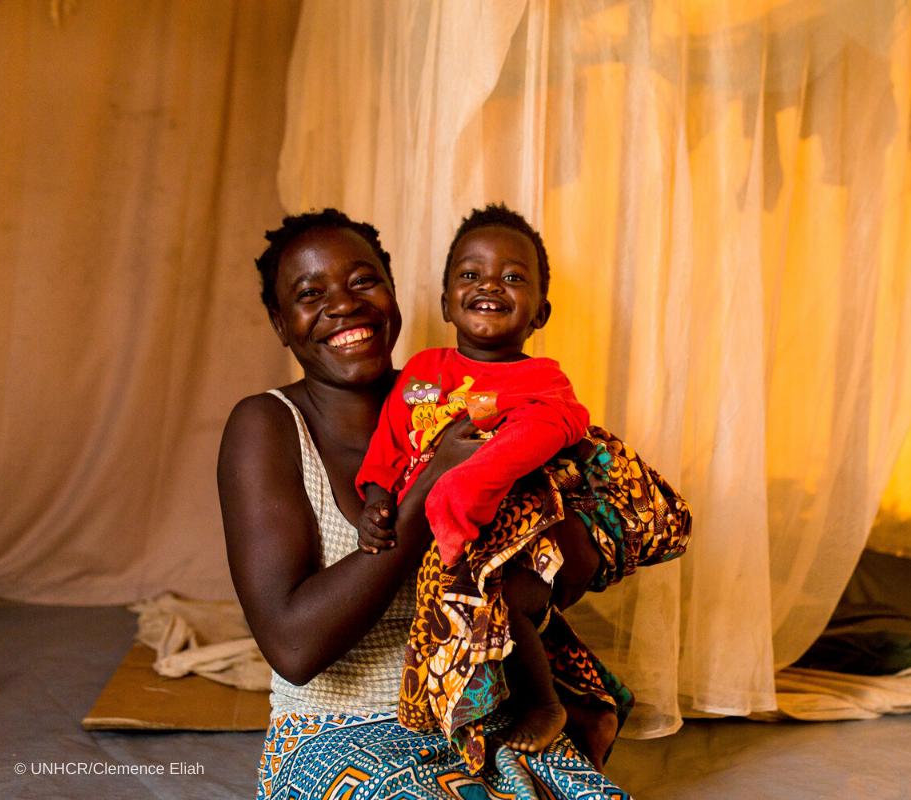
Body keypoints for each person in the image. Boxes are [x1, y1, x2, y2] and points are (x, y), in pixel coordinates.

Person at [219, 209, 629, 798]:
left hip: (483, 712)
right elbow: (294, 647)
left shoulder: (455, 394)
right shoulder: (266, 426)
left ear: (392, 293)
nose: (343, 305)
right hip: (344, 730)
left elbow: (559, 564)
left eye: (363, 281)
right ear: (281, 323)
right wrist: (432, 484)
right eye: (311, 294)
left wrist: (551, 536)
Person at [353, 205, 690, 770]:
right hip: (441, 538)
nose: (489, 285)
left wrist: (463, 490)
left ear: (540, 313)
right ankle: (560, 710)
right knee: (471, 627)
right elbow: (388, 447)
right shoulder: (420, 371)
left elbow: (550, 431)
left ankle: (547, 706)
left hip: (520, 535)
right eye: (470, 274)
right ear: (444, 304)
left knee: (509, 600)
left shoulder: (542, 380)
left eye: (513, 278)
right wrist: (376, 499)